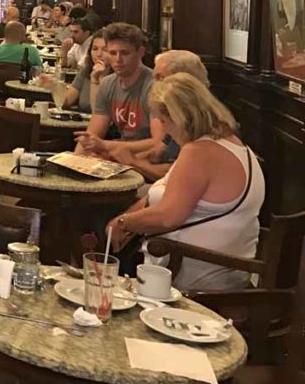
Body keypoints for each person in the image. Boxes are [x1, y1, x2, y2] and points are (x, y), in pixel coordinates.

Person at [107, 73, 264, 292]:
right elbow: (163, 194)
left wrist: (123, 223)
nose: (165, 129)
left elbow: (167, 217)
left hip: (194, 274)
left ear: (181, 117)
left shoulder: (200, 152)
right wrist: (126, 220)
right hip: (221, 269)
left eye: (164, 120)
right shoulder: (233, 144)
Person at [75, 22, 167, 157]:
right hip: (121, 155)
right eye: (112, 53)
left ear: (140, 52)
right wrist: (75, 161)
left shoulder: (154, 86)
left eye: (124, 53)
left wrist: (107, 145)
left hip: (151, 161)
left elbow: (159, 143)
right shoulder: (107, 84)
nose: (118, 59)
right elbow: (92, 135)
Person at [40, 29, 108, 113]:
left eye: (76, 32)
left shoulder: (116, 78)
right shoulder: (76, 48)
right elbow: (62, 64)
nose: (99, 54)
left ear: (86, 32)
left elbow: (100, 113)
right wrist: (63, 51)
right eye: (95, 49)